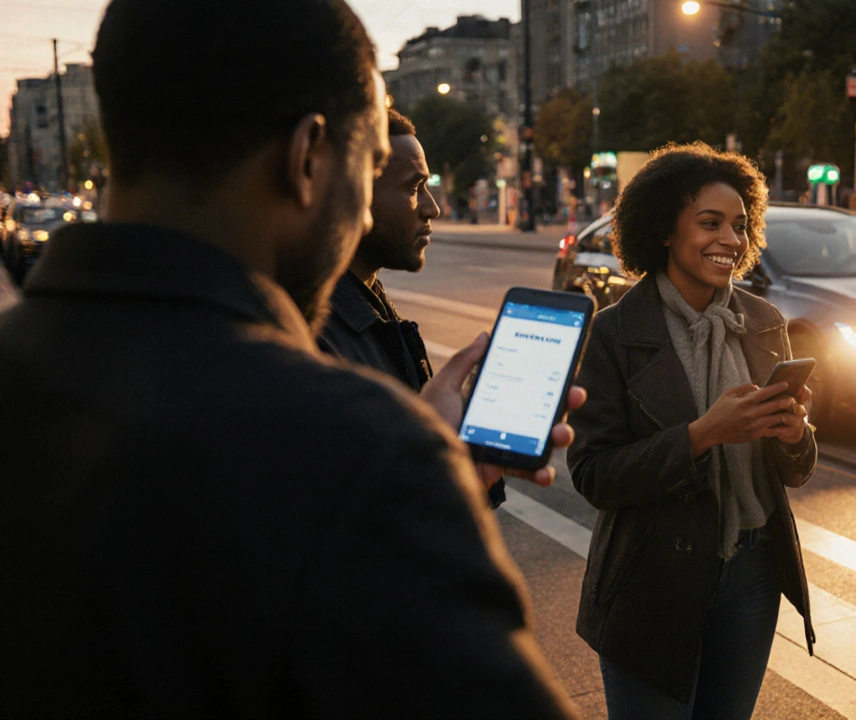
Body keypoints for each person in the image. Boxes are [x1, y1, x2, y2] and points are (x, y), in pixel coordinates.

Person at [0, 1, 578, 717]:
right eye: (367, 171)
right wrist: (414, 474)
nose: (364, 215)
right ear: (307, 159)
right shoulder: (358, 457)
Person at [567, 142, 818, 719]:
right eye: (710, 224)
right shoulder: (612, 333)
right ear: (662, 229)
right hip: (651, 580)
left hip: (751, 574)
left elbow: (798, 469)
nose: (730, 239)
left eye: (739, 225)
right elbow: (595, 474)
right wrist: (701, 434)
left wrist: (792, 434)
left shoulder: (763, 321)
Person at [317, 108, 508, 506]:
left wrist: (462, 460)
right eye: (413, 187)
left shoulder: (372, 308)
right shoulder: (318, 343)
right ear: (354, 190)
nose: (432, 208)